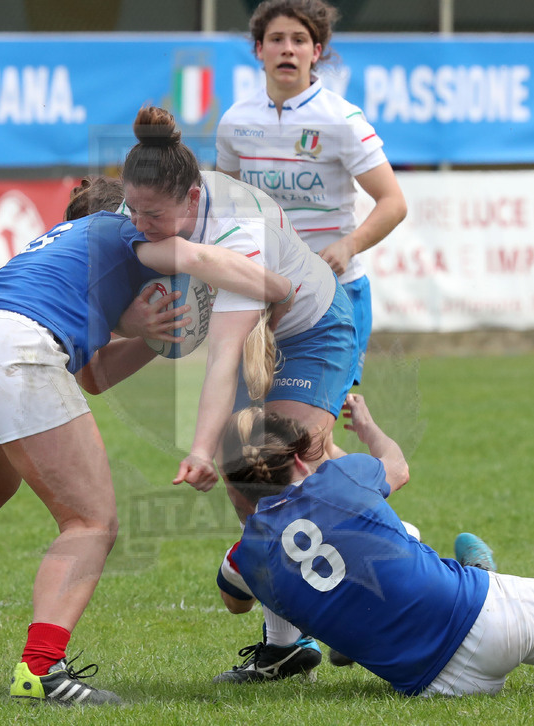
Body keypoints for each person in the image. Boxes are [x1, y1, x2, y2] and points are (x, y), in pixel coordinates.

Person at [0, 209, 296, 707]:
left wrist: (149, 336)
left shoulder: (61, 250)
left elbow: (93, 377)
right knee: (90, 522)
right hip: (7, 351)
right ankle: (41, 669)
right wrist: (279, 287)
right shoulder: (130, 232)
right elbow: (203, 257)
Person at [121, 104, 364, 682]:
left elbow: (223, 355)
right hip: (264, 327)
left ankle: (393, 580)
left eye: (151, 215)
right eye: (131, 210)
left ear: (193, 200)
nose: (137, 223)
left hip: (312, 329)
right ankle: (285, 646)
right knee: (248, 480)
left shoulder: (239, 232)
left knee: (281, 463)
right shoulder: (151, 203)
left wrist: (201, 450)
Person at [214, 393, 534, 695]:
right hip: (488, 616)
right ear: (300, 458)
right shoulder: (342, 475)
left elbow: (236, 602)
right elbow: (398, 468)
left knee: (395, 541)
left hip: (435, 686)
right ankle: (475, 575)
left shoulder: (245, 557)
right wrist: (371, 429)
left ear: (236, 486)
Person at [216, 0, 407, 392]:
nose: (288, 48)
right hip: (263, 296)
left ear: (316, 52)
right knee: (260, 427)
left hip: (336, 295)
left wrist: (348, 246)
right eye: (276, 39)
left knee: (306, 428)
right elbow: (226, 207)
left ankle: (383, 459)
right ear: (258, 49)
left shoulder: (343, 120)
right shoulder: (235, 122)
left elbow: (394, 203)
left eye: (299, 40)